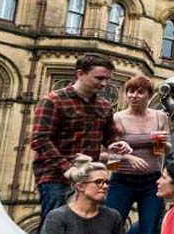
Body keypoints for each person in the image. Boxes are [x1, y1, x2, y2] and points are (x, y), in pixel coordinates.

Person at [32, 54, 132, 229]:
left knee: (91, 225)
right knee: (55, 224)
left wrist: (118, 144)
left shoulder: (104, 106)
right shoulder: (53, 101)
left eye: (107, 79)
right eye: (99, 78)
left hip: (90, 176)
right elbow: (40, 140)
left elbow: (109, 137)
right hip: (55, 176)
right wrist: (68, 169)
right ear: (80, 74)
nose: (104, 83)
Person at [104, 76, 169, 234]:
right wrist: (127, 158)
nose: (133, 96)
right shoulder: (117, 118)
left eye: (140, 92)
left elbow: (162, 152)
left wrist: (160, 143)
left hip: (151, 181)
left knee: (151, 228)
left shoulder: (160, 117)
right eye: (130, 91)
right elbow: (110, 159)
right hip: (122, 180)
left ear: (149, 95)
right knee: (111, 225)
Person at [41, 156, 125, 234]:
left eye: (107, 182)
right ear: (80, 186)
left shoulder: (113, 216)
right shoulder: (58, 217)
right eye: (98, 182)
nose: (105, 186)